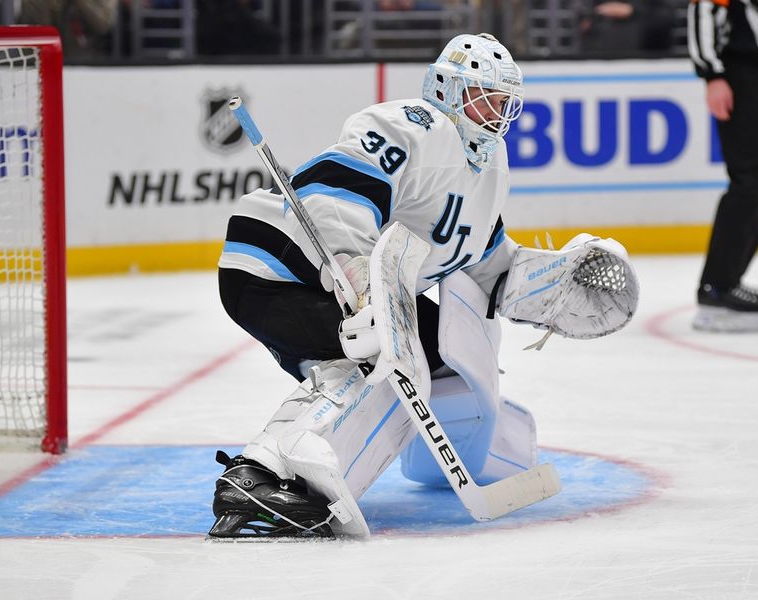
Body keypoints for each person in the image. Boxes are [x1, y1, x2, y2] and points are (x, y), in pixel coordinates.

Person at [211, 33, 639, 539]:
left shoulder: (489, 165)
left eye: (504, 101)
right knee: (389, 356)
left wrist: (547, 290)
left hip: (348, 283)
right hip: (278, 266)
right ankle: (258, 472)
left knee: (439, 351)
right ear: (449, 89)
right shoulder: (413, 125)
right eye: (487, 97)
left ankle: (411, 459)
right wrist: (356, 279)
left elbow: (480, 258)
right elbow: (334, 198)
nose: (499, 112)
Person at [688, 0, 758, 332]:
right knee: (751, 181)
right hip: (742, 74)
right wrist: (713, 74)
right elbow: (704, 9)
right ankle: (716, 287)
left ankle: (729, 280)